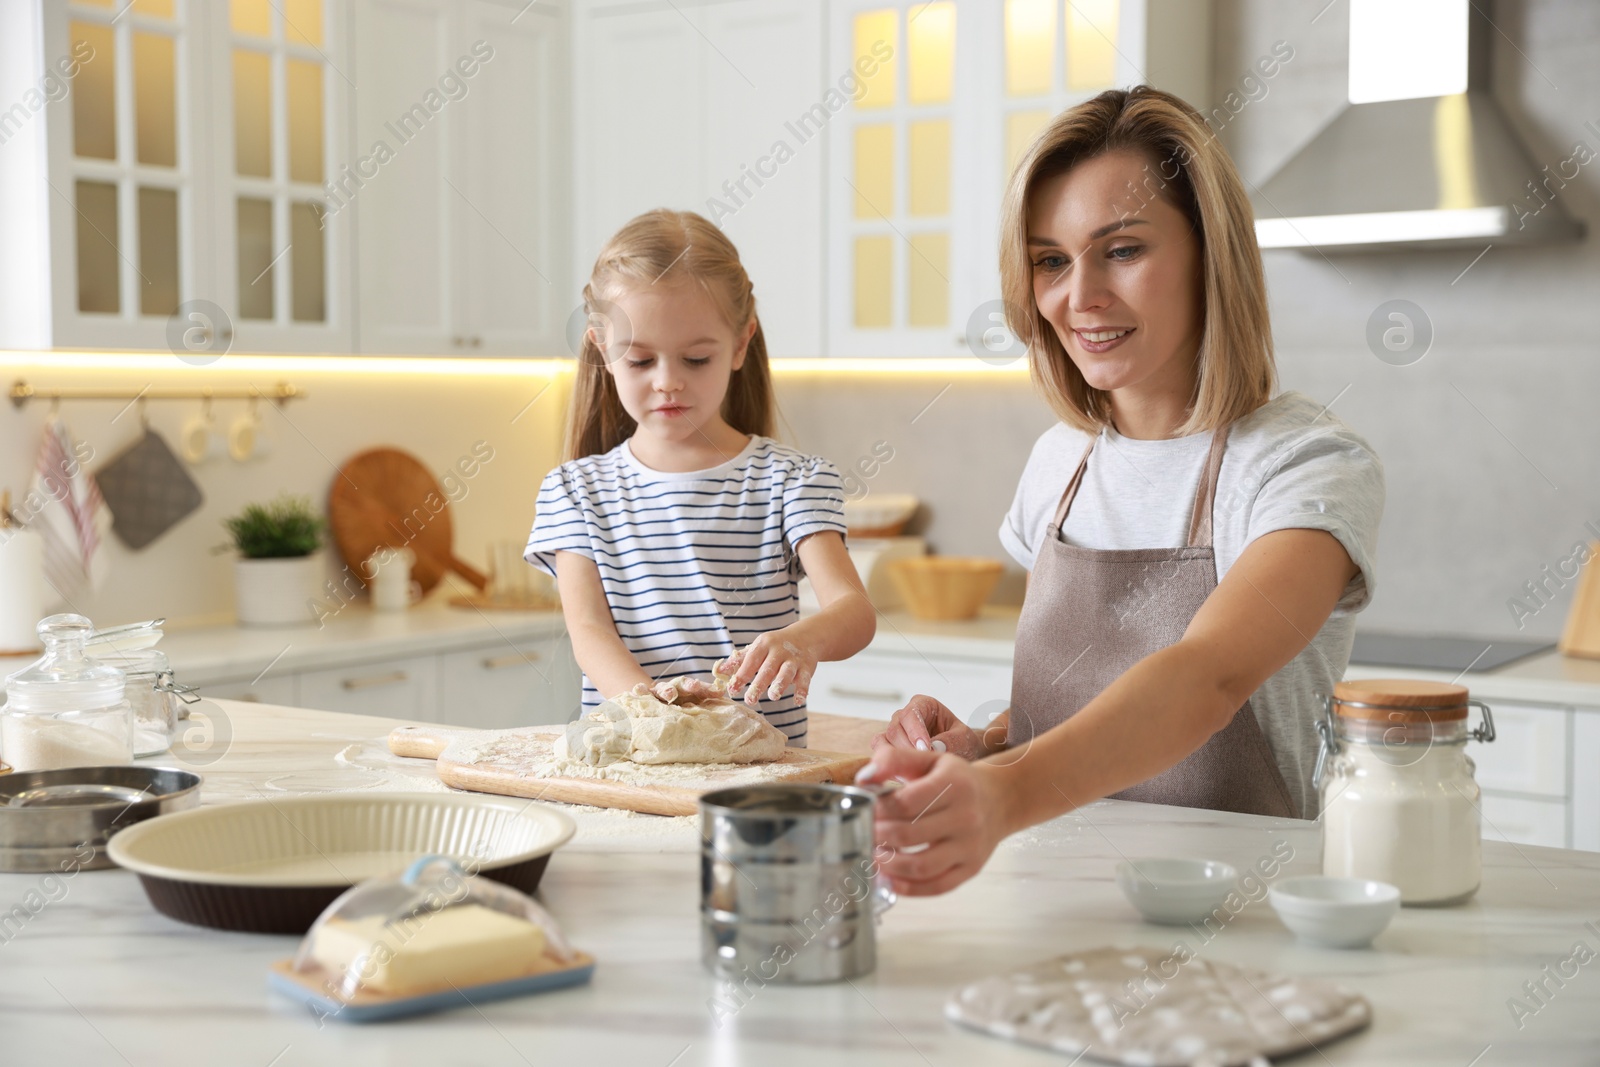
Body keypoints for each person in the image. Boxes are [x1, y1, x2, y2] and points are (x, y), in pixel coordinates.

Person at [862, 87, 1384, 895]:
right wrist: (988, 745)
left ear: (1210, 254)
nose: (1081, 297)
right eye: (1050, 261)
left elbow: (1204, 678)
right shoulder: (1058, 464)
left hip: (1231, 915)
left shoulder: (1302, 465)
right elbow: (1079, 710)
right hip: (1046, 897)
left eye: (1123, 249)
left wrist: (1005, 792)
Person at [525, 210, 875, 744]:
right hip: (629, 761)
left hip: (759, 775)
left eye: (695, 358)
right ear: (602, 347)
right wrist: (655, 712)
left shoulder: (791, 481)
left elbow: (854, 612)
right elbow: (589, 632)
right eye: (641, 361)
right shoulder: (575, 491)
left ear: (739, 345)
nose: (668, 382)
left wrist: (800, 640)